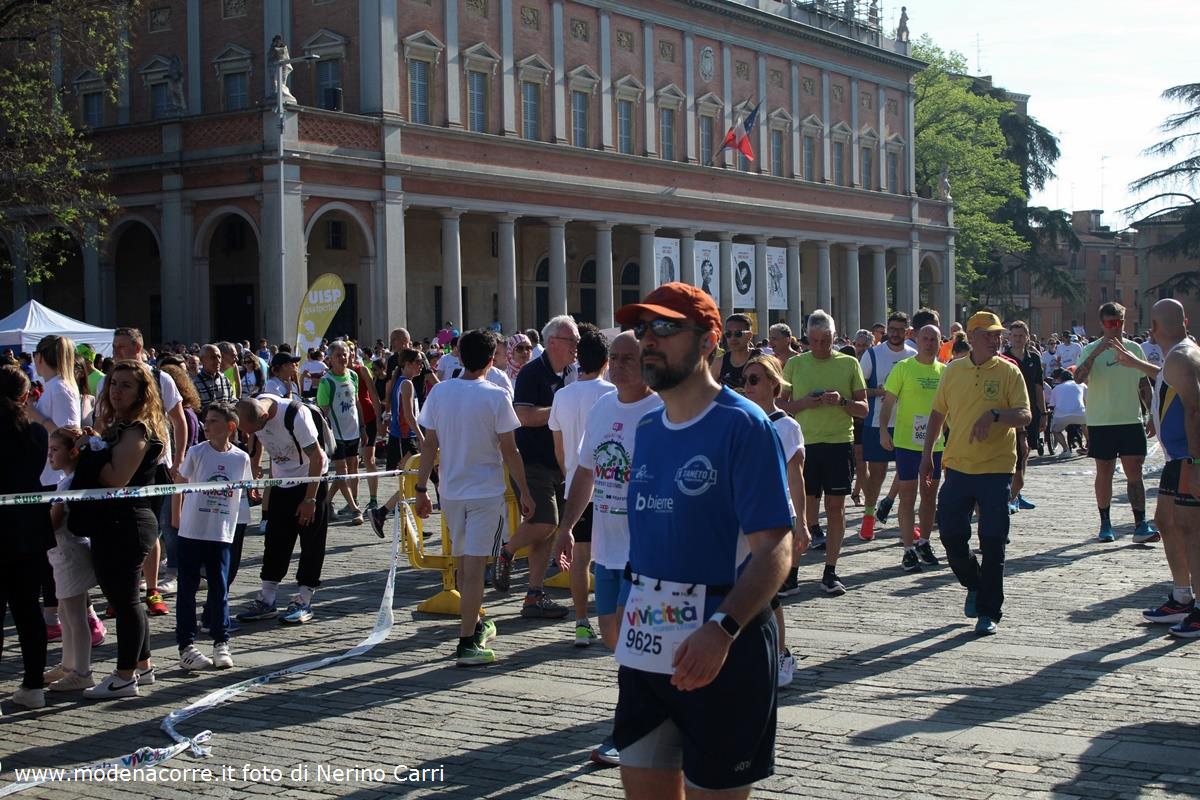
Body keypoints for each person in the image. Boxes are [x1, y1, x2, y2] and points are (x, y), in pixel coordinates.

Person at [612, 282, 793, 797]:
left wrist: (723, 628)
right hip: (647, 648)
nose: (649, 340)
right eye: (643, 328)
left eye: (666, 328)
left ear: (709, 340)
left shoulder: (743, 425)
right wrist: (625, 603)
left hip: (721, 648)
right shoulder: (647, 428)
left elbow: (777, 548)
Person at [553, 330, 660, 766]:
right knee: (614, 639)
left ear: (648, 362)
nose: (617, 364)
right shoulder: (602, 407)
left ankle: (630, 732)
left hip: (649, 552)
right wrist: (566, 527)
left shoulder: (661, 411)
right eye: (613, 357)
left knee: (634, 645)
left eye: (628, 358)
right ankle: (659, 710)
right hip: (608, 549)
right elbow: (585, 473)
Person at [413, 330, 534, 665]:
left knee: (467, 563)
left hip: (450, 491)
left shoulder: (440, 391)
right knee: (474, 566)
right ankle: (467, 642)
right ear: (492, 358)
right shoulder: (496, 396)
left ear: (460, 356)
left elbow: (428, 445)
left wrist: (422, 488)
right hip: (485, 492)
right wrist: (525, 491)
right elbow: (510, 451)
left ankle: (474, 624)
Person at [920, 312, 1030, 636]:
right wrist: (927, 456)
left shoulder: (1010, 371)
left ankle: (989, 610)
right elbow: (938, 414)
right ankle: (974, 582)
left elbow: (1024, 415)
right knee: (951, 535)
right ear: (972, 336)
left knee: (993, 541)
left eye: (998, 334)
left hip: (996, 468)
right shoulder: (953, 370)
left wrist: (996, 414)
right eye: (988, 334)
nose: (996, 339)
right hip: (957, 466)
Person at [1110, 300, 1200, 637]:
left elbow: (1194, 409)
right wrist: (1136, 363)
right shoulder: (1181, 353)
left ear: (1153, 328)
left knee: (1192, 531)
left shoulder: (1179, 356)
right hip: (1177, 458)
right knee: (1164, 521)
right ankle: (1181, 596)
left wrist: (1196, 464)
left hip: (1187, 459)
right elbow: (1168, 380)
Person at [84, 360, 169, 697]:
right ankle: (143, 666)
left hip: (128, 521)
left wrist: (88, 455)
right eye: (113, 384)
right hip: (115, 521)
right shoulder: (119, 424)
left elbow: (116, 479)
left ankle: (123, 676)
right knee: (124, 595)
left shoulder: (137, 429)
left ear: (141, 392)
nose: (116, 391)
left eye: (125, 385)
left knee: (125, 600)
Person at [494, 316, 578, 619]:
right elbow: (525, 416)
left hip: (559, 460)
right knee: (545, 522)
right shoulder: (532, 372)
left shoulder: (571, 372)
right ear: (554, 342)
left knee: (548, 530)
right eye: (572, 341)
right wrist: (563, 408)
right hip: (531, 460)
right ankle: (506, 551)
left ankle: (533, 595)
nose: (576, 347)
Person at [780, 310, 868, 596]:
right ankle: (792, 571)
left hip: (838, 442)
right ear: (807, 337)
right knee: (803, 509)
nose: (820, 346)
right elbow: (780, 405)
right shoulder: (795, 364)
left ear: (834, 336)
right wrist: (805, 402)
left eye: (826, 340)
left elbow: (863, 409)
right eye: (815, 340)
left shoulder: (849, 363)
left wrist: (840, 401)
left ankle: (830, 570)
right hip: (804, 445)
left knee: (835, 508)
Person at [741, 354, 809, 689]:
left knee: (768, 593)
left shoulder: (786, 425)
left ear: (773, 383)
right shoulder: (742, 421)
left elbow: (796, 478)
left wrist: (803, 523)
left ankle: (780, 654)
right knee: (747, 591)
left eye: (755, 380)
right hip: (743, 517)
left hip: (775, 518)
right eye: (746, 380)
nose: (748, 387)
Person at [235, 392, 329, 625]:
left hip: (309, 480)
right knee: (275, 540)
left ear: (265, 416)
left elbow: (316, 458)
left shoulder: (296, 415)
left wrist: (310, 500)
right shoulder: (255, 406)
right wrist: (254, 469)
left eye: (252, 428)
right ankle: (266, 599)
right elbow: (256, 442)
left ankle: (303, 599)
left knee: (311, 541)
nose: (249, 433)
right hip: (280, 483)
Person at [547, 325, 614, 645]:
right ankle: (611, 619)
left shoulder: (562, 395)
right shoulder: (613, 395)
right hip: (610, 486)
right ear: (607, 362)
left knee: (580, 558)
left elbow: (559, 448)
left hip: (575, 483)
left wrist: (570, 474)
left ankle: (582, 622)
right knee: (611, 557)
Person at [1073, 302, 1157, 544]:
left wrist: (1150, 414)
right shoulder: (1089, 349)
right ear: (1102, 324)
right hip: (1102, 422)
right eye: (1110, 323)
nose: (1115, 328)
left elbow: (1144, 384)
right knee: (1105, 473)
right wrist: (1098, 351)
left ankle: (1140, 524)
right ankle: (1105, 522)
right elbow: (1078, 378)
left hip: (1130, 420)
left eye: (1119, 322)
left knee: (1135, 472)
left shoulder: (1135, 348)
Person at [175, 402, 251, 671]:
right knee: (188, 587)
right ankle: (186, 645)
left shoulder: (241, 458)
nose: (206, 426)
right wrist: (177, 517)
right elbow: (180, 484)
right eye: (205, 421)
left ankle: (221, 641)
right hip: (192, 530)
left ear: (230, 427)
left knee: (219, 588)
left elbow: (243, 493)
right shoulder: (196, 452)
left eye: (213, 421)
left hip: (221, 532)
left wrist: (238, 527)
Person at [0, 366, 55, 710]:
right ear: (25, 397)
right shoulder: (36, 433)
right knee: (28, 610)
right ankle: (34, 685)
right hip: (30, 530)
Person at [878, 324, 944, 572]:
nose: (929, 343)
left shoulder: (945, 372)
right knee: (907, 496)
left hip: (935, 445)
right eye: (925, 338)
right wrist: (884, 430)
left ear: (940, 343)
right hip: (907, 443)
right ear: (917, 340)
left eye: (934, 339)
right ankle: (907, 549)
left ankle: (924, 541)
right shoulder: (903, 368)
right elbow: (888, 404)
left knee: (929, 496)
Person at [42, 426, 100, 692]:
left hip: (69, 553)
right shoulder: (65, 481)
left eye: (55, 450)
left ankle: (83, 671)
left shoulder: (69, 483)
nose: (50, 455)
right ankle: (68, 664)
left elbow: (54, 521)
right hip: (61, 554)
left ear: (73, 452)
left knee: (76, 616)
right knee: (65, 612)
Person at [858, 313, 915, 541]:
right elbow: (859, 390)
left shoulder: (914, 355)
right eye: (891, 329)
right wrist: (882, 392)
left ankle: (905, 520)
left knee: (908, 474)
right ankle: (869, 517)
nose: (894, 333)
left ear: (907, 332)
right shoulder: (873, 354)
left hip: (907, 423)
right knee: (878, 473)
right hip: (877, 423)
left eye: (900, 330)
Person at [318, 341, 365, 525]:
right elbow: (323, 411)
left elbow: (357, 403)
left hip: (353, 431)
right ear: (330, 359)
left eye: (345, 354)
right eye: (338, 355)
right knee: (342, 472)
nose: (343, 358)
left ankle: (327, 502)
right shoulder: (326, 381)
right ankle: (355, 509)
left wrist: (362, 427)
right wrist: (325, 437)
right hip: (336, 435)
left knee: (351, 469)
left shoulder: (353, 375)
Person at [1005, 321, 1046, 510]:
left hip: (1030, 412)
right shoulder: (1003, 358)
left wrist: (1043, 412)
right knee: (1013, 453)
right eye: (1014, 335)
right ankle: (1009, 494)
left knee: (1026, 451)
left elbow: (1039, 387)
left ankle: (1018, 492)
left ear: (1027, 337)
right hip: (1011, 413)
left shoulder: (1034, 359)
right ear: (1009, 337)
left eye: (1021, 335)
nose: (1018, 339)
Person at [350, 345, 383, 510]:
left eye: (350, 352)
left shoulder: (362, 370)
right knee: (352, 462)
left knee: (369, 459)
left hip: (368, 417)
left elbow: (374, 395)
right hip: (349, 421)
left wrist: (379, 420)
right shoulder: (332, 375)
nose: (347, 355)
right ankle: (353, 500)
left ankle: (373, 499)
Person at [710, 313, 760, 390]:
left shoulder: (761, 361)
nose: (733, 338)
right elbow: (709, 392)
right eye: (728, 334)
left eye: (738, 333)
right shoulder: (719, 362)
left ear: (749, 335)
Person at [1048, 369, 1087, 455]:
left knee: (1056, 431)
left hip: (1062, 415)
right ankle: (1090, 447)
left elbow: (1052, 405)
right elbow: (1088, 400)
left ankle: (1066, 450)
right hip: (1080, 413)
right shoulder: (1081, 385)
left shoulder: (1056, 389)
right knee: (1085, 425)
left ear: (1060, 379)